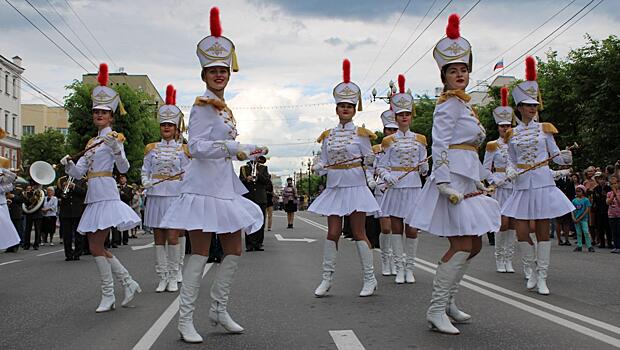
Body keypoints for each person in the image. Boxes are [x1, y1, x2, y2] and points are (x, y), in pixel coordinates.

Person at [159, 7, 267, 343]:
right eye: (213, 70)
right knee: (200, 253)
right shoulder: (203, 105)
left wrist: (247, 149)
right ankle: (184, 320)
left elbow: (222, 145)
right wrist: (234, 148)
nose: (219, 74)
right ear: (204, 74)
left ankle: (218, 309)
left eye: (224, 70)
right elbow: (198, 147)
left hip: (224, 187)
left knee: (235, 249)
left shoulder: (223, 107)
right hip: (203, 187)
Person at [408, 14, 500, 335]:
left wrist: (480, 179)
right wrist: (443, 182)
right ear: (444, 76)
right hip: (452, 182)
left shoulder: (465, 105)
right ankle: (435, 309)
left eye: (463, 70)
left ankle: (447, 301)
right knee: (462, 244)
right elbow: (441, 143)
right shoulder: (448, 105)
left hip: (467, 179)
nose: (459, 75)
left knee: (474, 245)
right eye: (452, 71)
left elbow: (469, 147)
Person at [60, 63, 142, 313]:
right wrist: (68, 165)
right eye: (96, 112)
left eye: (104, 112)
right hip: (93, 193)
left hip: (107, 191)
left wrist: (116, 148)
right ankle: (127, 283)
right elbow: (80, 172)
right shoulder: (92, 141)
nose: (98, 115)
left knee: (97, 245)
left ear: (111, 116)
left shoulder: (115, 138)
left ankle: (112, 293)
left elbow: (125, 168)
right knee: (96, 245)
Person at [501, 56, 575, 295]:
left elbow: (556, 155)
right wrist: (511, 170)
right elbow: (511, 159)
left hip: (542, 183)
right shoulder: (512, 134)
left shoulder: (545, 130)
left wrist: (566, 157)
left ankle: (542, 276)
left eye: (535, 106)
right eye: (529, 105)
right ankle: (530, 270)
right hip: (522, 184)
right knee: (522, 231)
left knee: (543, 230)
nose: (533, 109)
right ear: (520, 108)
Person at [309, 58, 380, 298]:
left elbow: (370, 159)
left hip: (355, 185)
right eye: (342, 106)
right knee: (332, 233)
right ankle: (326, 278)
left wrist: (370, 172)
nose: (346, 110)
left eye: (350, 106)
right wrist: (318, 167)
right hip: (335, 187)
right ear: (336, 109)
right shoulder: (327, 136)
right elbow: (323, 159)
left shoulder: (362, 135)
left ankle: (370, 279)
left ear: (354, 109)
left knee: (359, 232)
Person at [378, 75, 428, 284]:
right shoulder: (388, 141)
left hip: (413, 186)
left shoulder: (420, 139)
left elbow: (424, 167)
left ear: (411, 116)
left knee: (413, 228)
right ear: (395, 118)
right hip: (396, 186)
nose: (404, 118)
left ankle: (410, 267)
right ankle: (399, 267)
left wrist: (425, 167)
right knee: (397, 227)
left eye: (407, 114)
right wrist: (387, 175)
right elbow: (381, 166)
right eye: (401, 115)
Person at [141, 84, 190, 293]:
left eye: (170, 125)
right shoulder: (151, 148)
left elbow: (189, 174)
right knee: (159, 238)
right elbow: (145, 170)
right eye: (164, 126)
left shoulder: (183, 150)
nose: (167, 129)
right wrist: (146, 181)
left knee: (173, 236)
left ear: (177, 129)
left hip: (175, 196)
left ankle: (174, 273)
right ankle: (162, 276)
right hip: (156, 195)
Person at [483, 87, 517, 273]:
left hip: (514, 185)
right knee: (502, 223)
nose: (505, 129)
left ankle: (508, 258)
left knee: (512, 223)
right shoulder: (492, 145)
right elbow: (485, 169)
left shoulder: (517, 143)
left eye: (508, 126)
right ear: (498, 127)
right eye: (502, 126)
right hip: (500, 187)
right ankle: (499, 257)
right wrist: (495, 180)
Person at [373, 110, 398, 276]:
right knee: (386, 228)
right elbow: (372, 168)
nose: (391, 133)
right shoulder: (377, 149)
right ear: (384, 131)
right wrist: (375, 181)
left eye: (394, 130)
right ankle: (385, 259)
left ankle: (397, 260)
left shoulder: (407, 146)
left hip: (400, 188)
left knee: (398, 227)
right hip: (383, 188)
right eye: (389, 130)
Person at [239, 155, 270, 251]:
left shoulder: (263, 168)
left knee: (261, 220)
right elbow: (240, 181)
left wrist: (258, 174)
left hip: (260, 198)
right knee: (249, 221)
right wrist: (246, 179)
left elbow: (266, 181)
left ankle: (258, 243)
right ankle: (249, 244)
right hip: (249, 197)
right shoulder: (244, 168)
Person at [58, 176, 87, 261]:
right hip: (65, 212)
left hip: (78, 211)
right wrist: (62, 188)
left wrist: (74, 186)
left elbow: (84, 192)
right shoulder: (61, 180)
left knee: (78, 234)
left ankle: (77, 253)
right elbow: (57, 193)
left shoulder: (82, 180)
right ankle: (68, 254)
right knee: (67, 235)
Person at [0, 155, 21, 250]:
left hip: (2, 205)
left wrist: (3, 169)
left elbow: (13, 178)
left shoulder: (4, 180)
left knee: (6, 229)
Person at [592, 172, 612, 248]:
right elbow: (594, 200)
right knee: (600, 227)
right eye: (600, 179)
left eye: (603, 179)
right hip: (599, 210)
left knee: (608, 227)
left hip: (607, 210)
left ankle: (609, 242)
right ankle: (602, 242)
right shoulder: (596, 189)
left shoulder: (609, 188)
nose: (602, 181)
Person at [572, 185, 594, 252]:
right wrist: (573, 218)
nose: (577, 193)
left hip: (583, 219)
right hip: (576, 219)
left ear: (583, 192)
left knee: (586, 232)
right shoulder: (574, 200)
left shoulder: (586, 200)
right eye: (576, 191)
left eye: (579, 191)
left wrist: (580, 218)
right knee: (578, 232)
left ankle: (589, 246)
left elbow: (587, 210)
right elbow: (572, 210)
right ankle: (579, 245)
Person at [23, 184, 43, 250]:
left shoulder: (41, 193)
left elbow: (41, 203)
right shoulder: (28, 193)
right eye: (34, 186)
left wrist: (34, 205)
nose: (35, 187)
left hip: (37, 214)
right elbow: (26, 202)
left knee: (37, 230)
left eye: (36, 186)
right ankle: (26, 244)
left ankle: (36, 244)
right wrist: (29, 201)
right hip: (29, 213)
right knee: (27, 230)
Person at [6, 185, 24, 252]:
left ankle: (16, 246)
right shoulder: (4, 190)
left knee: (16, 230)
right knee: (8, 231)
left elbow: (22, 200)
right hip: (7, 213)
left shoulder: (18, 190)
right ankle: (9, 246)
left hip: (16, 214)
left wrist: (14, 196)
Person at [117, 174, 133, 246]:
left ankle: (125, 240)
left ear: (126, 179)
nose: (121, 180)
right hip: (118, 207)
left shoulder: (129, 188)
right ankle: (117, 240)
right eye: (120, 179)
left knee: (125, 223)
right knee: (118, 223)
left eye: (123, 178)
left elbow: (129, 198)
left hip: (126, 206)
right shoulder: (117, 187)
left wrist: (123, 194)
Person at [606, 176, 620, 253]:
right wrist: (612, 195)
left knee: (619, 231)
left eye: (615, 183)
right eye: (611, 184)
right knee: (614, 231)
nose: (613, 185)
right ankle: (616, 246)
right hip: (611, 215)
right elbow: (607, 202)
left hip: (619, 215)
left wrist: (616, 193)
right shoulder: (609, 193)